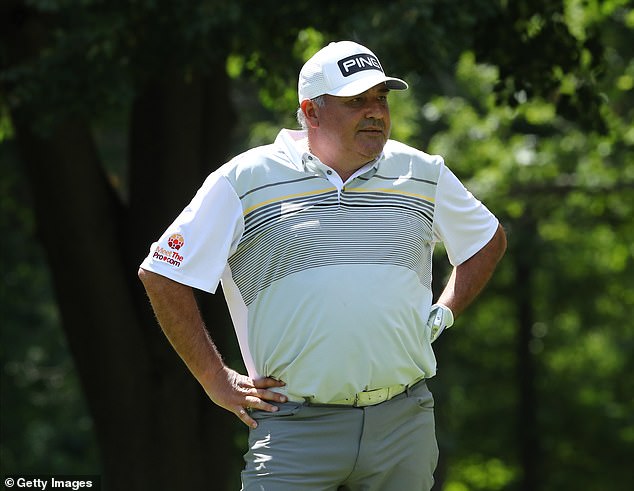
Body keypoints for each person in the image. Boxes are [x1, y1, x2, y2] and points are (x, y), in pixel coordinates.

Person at [138, 40, 507, 491]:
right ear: (311, 111)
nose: (375, 112)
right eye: (356, 101)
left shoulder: (422, 172)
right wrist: (215, 379)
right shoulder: (244, 179)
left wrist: (444, 310)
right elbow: (161, 273)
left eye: (381, 98)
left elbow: (486, 239)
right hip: (294, 426)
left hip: (403, 423)